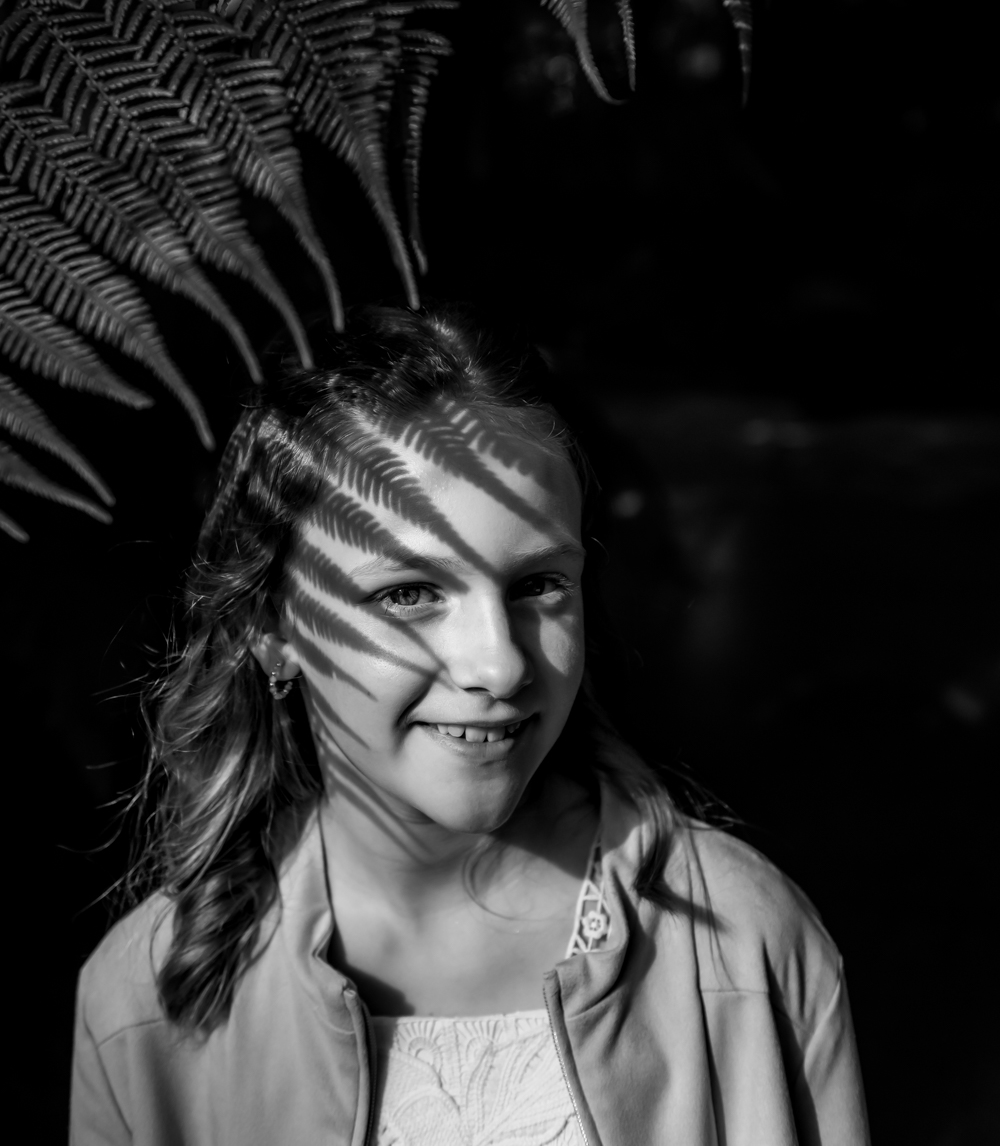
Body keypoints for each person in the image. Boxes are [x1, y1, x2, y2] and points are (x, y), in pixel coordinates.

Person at [71, 304, 870, 1146]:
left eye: (538, 586)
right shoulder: (146, 1005)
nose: (499, 665)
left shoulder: (743, 944)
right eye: (409, 594)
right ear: (271, 631)